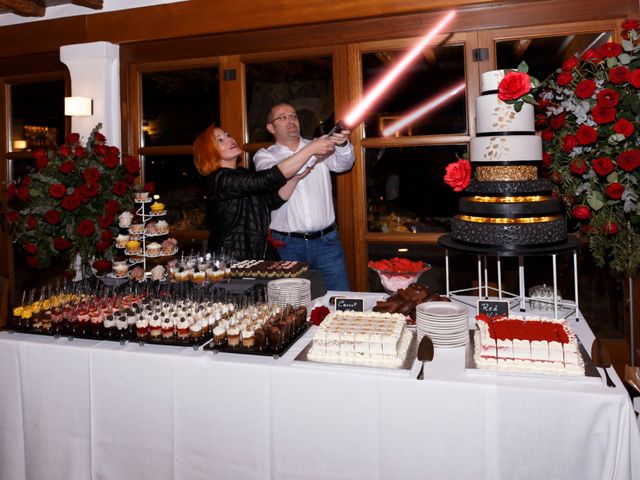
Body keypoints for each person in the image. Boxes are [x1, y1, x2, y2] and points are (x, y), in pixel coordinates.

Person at [193, 123, 336, 261]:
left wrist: (294, 180)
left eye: (228, 135)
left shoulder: (241, 173)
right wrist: (310, 149)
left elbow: (269, 201)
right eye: (220, 140)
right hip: (231, 259)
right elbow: (267, 179)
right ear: (210, 152)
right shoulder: (220, 179)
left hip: (256, 253)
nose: (230, 140)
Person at [253, 103, 355, 290]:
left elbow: (344, 164)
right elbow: (280, 173)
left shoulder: (317, 145)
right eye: (282, 117)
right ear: (271, 128)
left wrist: (342, 145)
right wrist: (313, 149)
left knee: (340, 299)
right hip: (286, 246)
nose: (290, 120)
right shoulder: (264, 156)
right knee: (290, 306)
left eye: (293, 116)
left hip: (327, 243)